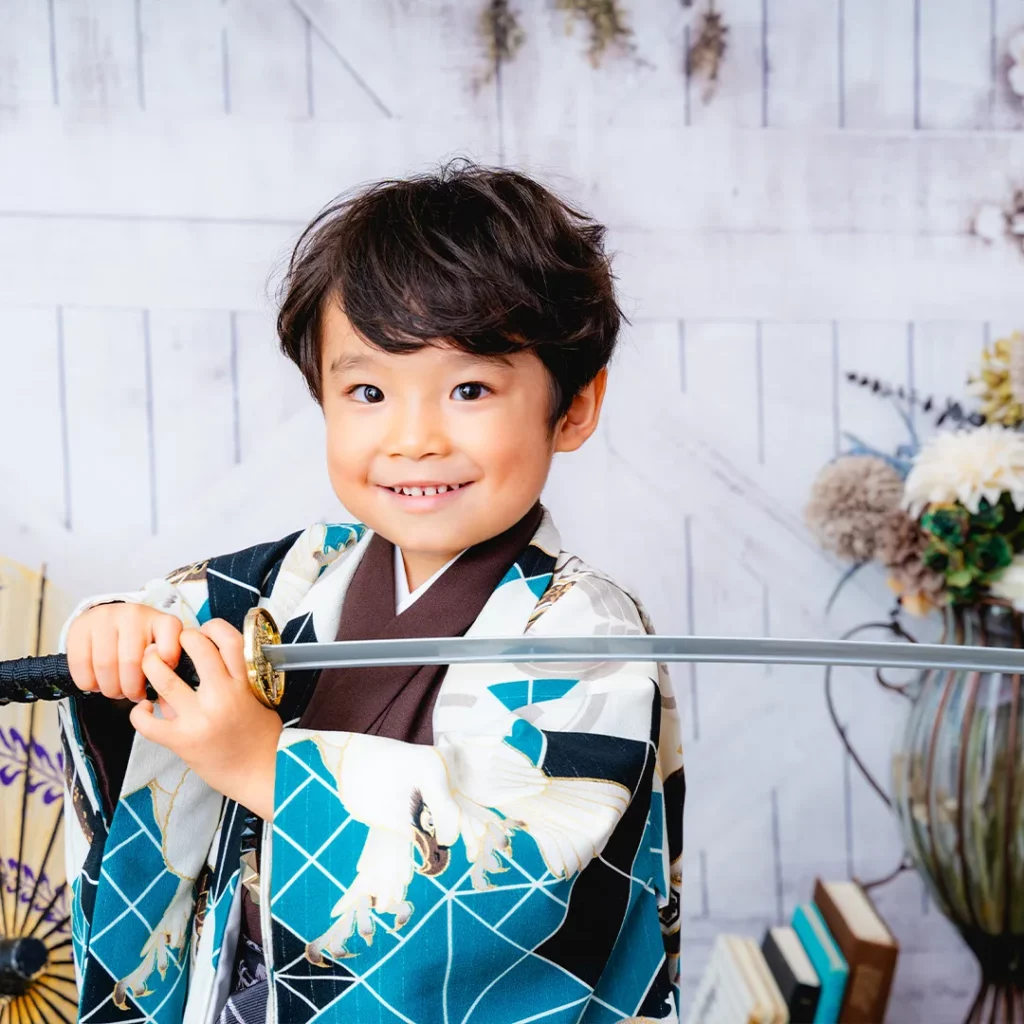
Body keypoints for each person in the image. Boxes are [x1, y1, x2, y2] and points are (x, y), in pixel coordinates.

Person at [59, 160, 685, 1024]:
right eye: (367, 391)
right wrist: (112, 633)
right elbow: (164, 624)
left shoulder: (584, 630)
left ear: (573, 407)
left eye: (469, 388)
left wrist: (267, 767)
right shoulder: (293, 577)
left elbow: (520, 883)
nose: (413, 438)